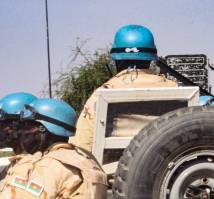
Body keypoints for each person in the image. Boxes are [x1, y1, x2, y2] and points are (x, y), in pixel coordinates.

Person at [69, 24, 178, 152]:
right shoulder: (175, 89)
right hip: (167, 168)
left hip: (113, 170)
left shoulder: (100, 95)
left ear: (116, 60)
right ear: (150, 59)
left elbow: (83, 146)